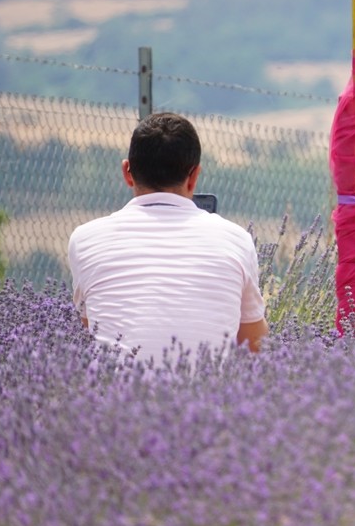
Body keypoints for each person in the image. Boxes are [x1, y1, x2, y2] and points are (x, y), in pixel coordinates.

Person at [68, 112, 268, 359]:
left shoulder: (84, 239)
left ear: (127, 172)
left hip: (114, 395)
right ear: (194, 177)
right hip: (209, 395)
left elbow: (89, 330)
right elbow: (256, 345)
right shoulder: (237, 240)